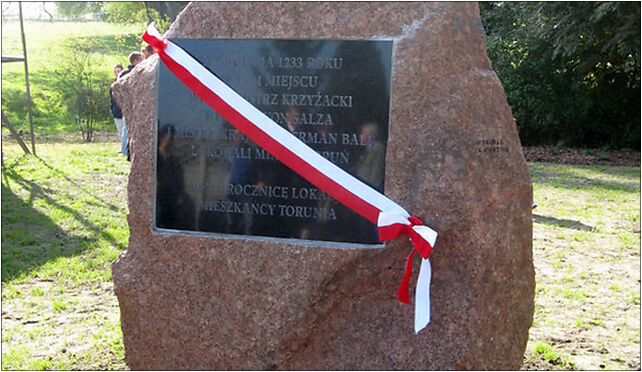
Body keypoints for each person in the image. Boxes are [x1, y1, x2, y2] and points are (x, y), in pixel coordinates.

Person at [117, 52, 144, 160]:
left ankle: (126, 151)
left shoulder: (124, 73)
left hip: (129, 105)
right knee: (128, 130)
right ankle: (126, 151)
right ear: (136, 61)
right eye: (141, 59)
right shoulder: (135, 73)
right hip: (132, 105)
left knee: (127, 129)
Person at [110, 64, 124, 149]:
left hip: (125, 112)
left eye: (118, 71)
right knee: (119, 131)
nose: (117, 73)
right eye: (115, 72)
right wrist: (112, 109)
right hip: (116, 112)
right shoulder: (113, 85)